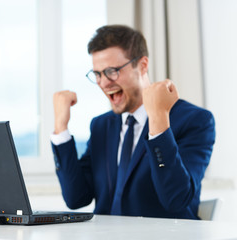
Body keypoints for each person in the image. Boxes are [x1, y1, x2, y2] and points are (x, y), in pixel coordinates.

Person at [50, 25, 215, 219]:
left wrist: (159, 121)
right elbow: (76, 198)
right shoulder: (101, 126)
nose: (103, 83)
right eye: (98, 74)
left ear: (143, 65)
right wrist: (61, 128)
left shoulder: (194, 120)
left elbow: (175, 198)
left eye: (112, 71)